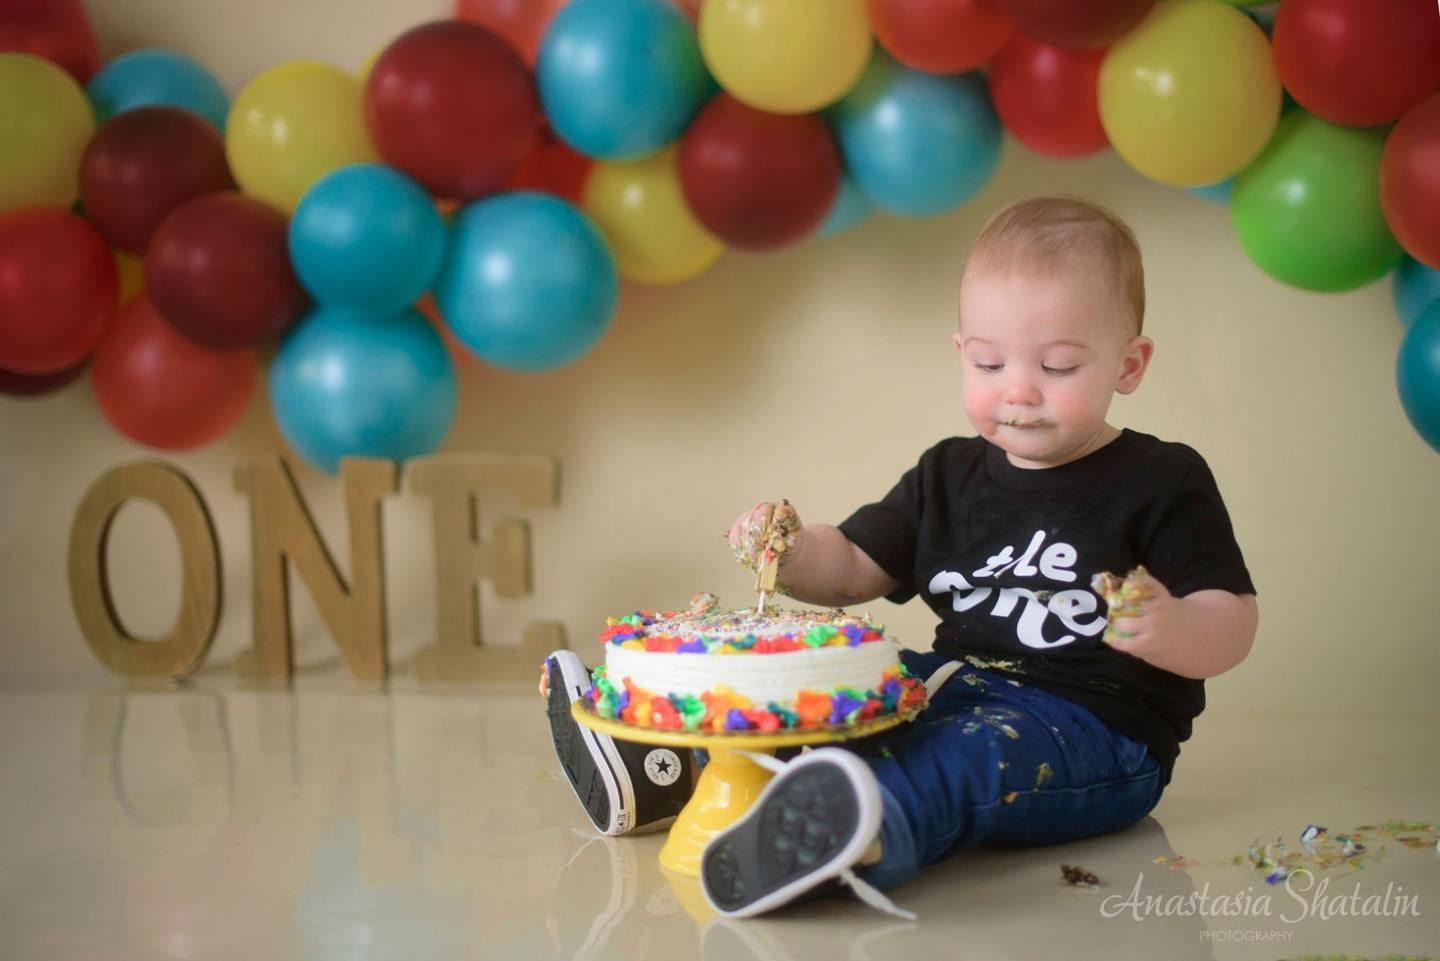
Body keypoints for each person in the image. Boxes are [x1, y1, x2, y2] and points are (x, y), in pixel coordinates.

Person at [545, 195, 1259, 920]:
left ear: (1128, 364)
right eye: (989, 360)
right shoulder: (948, 474)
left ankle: (854, 836)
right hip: (946, 684)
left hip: (1091, 729)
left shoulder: (1161, 478)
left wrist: (1173, 627)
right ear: (961, 353)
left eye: (1058, 364)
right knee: (835, 693)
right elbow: (855, 561)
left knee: (967, 756)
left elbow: (1233, 617)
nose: (1018, 388)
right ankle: (673, 771)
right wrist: (792, 552)